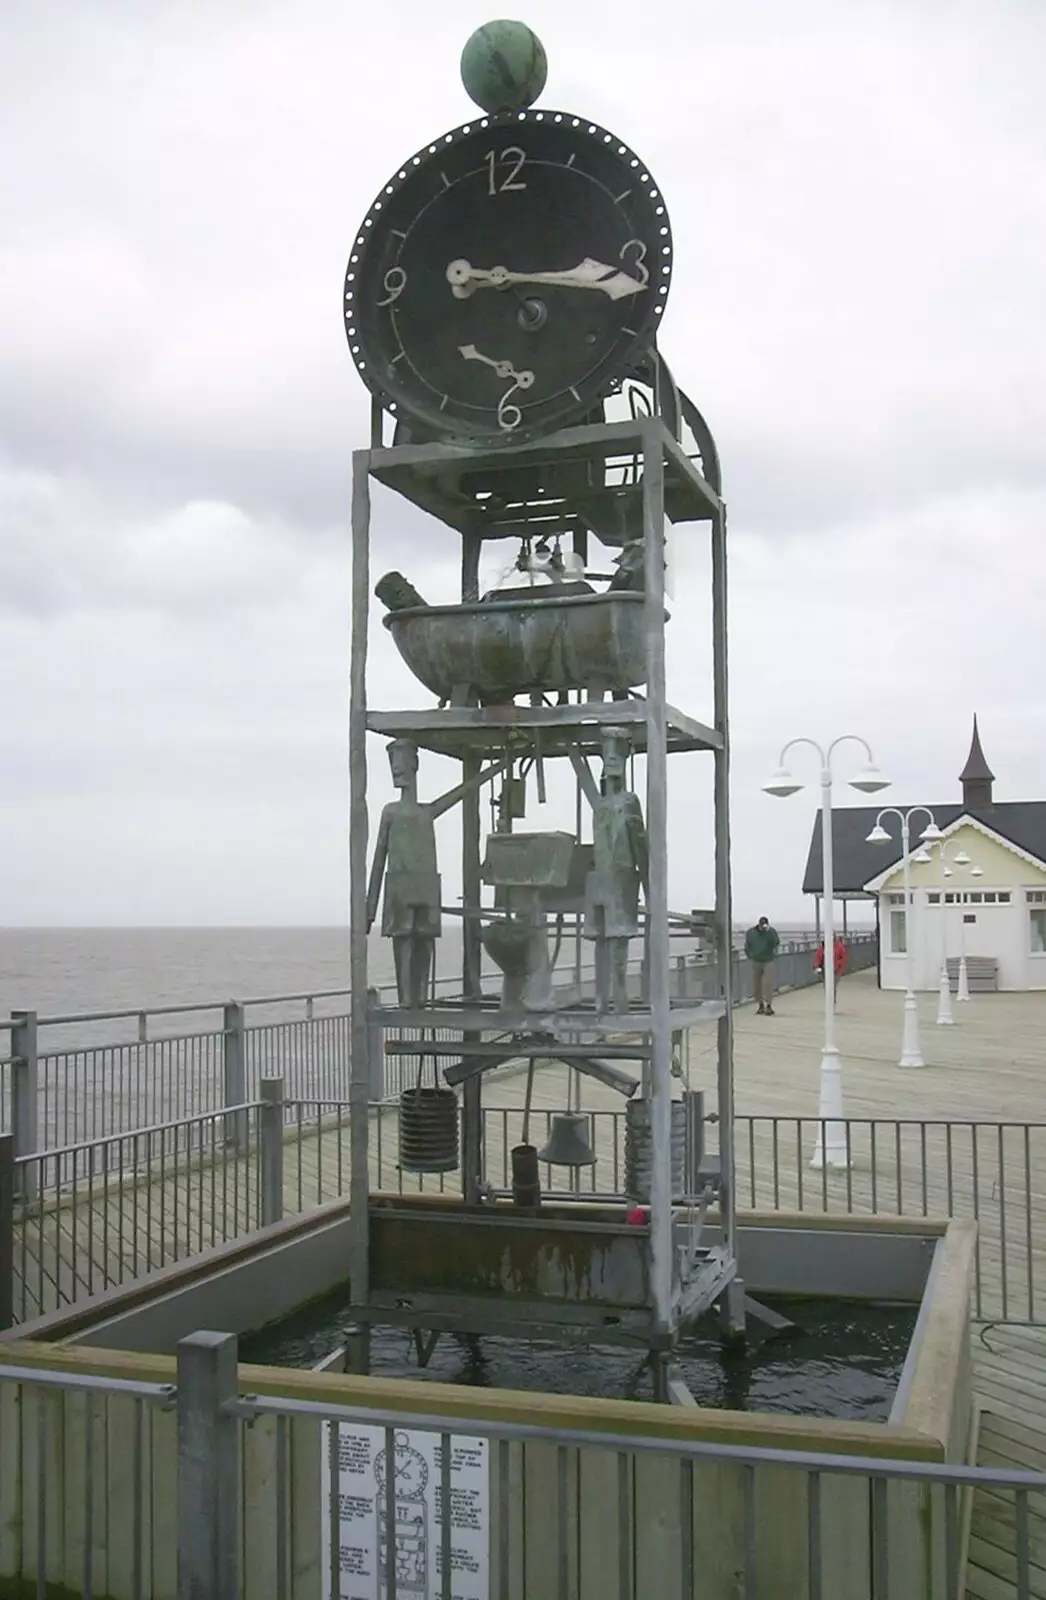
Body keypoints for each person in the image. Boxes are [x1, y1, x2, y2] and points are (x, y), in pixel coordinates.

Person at [745, 916, 781, 1015]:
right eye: (762, 925)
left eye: (765, 925)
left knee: (768, 984)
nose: (763, 927)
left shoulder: (771, 932)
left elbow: (776, 942)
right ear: (759, 924)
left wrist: (769, 933)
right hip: (756, 961)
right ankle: (760, 1005)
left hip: (768, 960)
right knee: (756, 985)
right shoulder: (751, 933)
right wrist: (749, 955)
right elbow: (748, 945)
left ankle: (768, 1005)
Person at [813, 934, 848, 1005]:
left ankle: (832, 1002)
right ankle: (829, 1001)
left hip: (836, 970)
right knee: (826, 986)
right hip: (825, 969)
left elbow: (843, 957)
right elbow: (818, 956)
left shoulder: (839, 946)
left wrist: (838, 965)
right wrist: (816, 966)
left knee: (832, 986)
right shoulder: (823, 945)